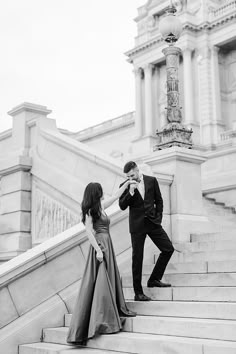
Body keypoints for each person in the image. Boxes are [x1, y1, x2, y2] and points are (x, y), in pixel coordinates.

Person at [67, 181, 136, 345]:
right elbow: (89, 232)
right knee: (100, 282)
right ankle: (100, 319)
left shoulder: (99, 207)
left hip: (107, 244)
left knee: (108, 278)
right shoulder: (91, 211)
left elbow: (115, 196)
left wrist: (126, 184)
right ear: (95, 193)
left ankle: (110, 312)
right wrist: (98, 250)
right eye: (100, 192)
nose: (102, 194)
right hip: (100, 246)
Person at [119, 161, 175, 302]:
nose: (130, 178)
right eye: (128, 176)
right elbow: (122, 206)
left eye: (132, 175)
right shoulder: (125, 185)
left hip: (152, 223)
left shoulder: (151, 180)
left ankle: (154, 279)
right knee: (137, 258)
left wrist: (158, 218)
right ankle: (138, 293)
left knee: (168, 249)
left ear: (137, 170)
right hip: (137, 226)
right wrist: (131, 191)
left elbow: (159, 200)